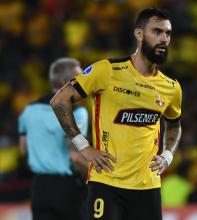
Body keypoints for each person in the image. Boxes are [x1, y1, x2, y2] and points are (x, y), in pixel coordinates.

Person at [50, 8, 182, 220]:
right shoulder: (107, 71)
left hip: (148, 187)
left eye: (168, 33)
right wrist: (84, 147)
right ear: (139, 34)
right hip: (107, 184)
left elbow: (174, 124)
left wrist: (167, 155)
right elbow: (59, 101)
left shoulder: (171, 87)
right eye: (157, 31)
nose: (164, 38)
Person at [18, 57, 88, 220]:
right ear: (65, 82)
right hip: (66, 188)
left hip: (39, 189)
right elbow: (76, 156)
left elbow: (23, 149)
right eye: (78, 79)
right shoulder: (77, 112)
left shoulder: (29, 110)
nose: (83, 84)